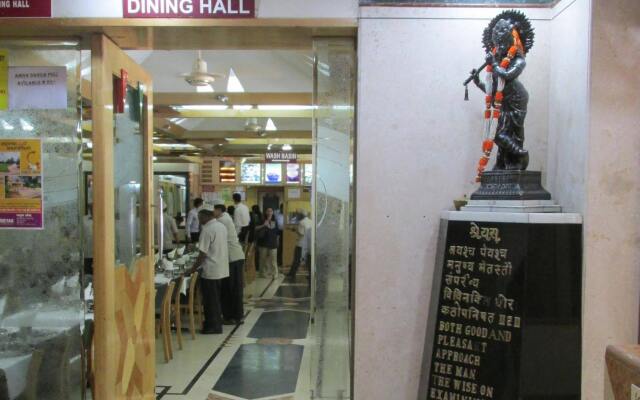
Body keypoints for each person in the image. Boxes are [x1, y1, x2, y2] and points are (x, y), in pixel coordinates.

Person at [188, 207, 229, 334]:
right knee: (216, 299)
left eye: (200, 218)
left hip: (211, 269)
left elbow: (202, 254)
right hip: (220, 267)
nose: (199, 221)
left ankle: (213, 326)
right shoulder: (221, 226)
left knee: (210, 300)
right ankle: (216, 323)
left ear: (206, 216)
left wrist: (192, 269)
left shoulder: (207, 230)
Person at [213, 203, 245, 325]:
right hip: (234, 257)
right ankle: (234, 315)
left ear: (219, 210)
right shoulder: (225, 216)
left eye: (213, 210)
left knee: (232, 288)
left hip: (233, 258)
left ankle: (233, 316)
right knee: (232, 288)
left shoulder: (222, 221)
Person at [287, 210, 313, 280]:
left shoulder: (301, 222)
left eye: (298, 215)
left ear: (301, 215)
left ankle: (292, 273)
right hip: (309, 244)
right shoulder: (311, 221)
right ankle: (311, 275)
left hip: (301, 244)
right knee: (309, 261)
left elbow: (301, 233)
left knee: (296, 259)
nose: (297, 216)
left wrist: (294, 229)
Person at [255, 207, 279, 278]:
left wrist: (277, 241)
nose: (269, 212)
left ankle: (275, 273)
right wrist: (264, 225)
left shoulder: (275, 221)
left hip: (273, 243)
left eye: (271, 211)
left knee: (273, 260)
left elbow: (277, 232)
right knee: (262, 260)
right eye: (268, 211)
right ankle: (262, 273)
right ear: (265, 212)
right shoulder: (262, 220)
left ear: (272, 212)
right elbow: (255, 228)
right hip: (263, 243)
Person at [83, 204, 93, 276]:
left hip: (101, 254)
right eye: (91, 208)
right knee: (88, 275)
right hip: (88, 254)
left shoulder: (104, 219)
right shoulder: (84, 220)